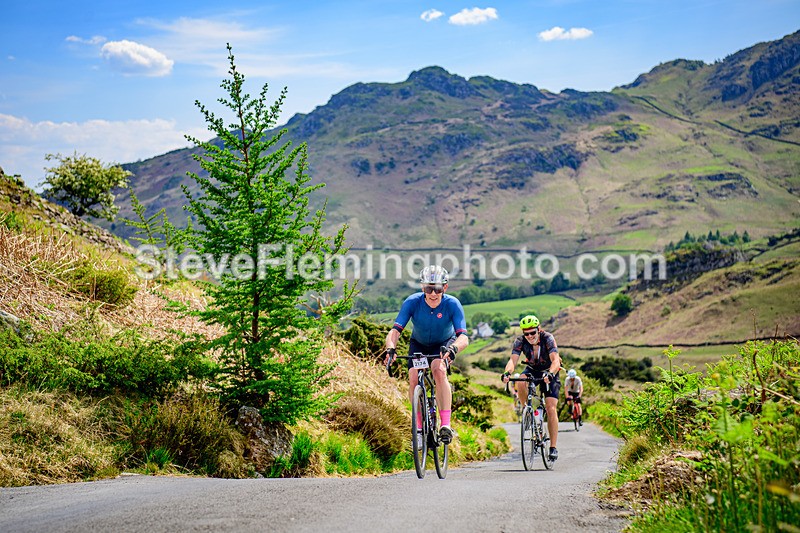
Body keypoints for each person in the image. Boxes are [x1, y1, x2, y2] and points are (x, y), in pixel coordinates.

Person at [384, 265, 469, 446]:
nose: (433, 293)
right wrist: (391, 348)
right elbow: (395, 330)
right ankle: (420, 428)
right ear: (422, 287)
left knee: (438, 370)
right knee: (413, 377)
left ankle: (445, 425)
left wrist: (453, 349)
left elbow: (464, 336)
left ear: (444, 288)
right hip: (419, 344)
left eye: (437, 289)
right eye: (429, 288)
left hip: (443, 344)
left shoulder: (452, 304)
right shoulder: (412, 302)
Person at [500, 314, 562, 461]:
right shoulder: (520, 341)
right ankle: (528, 411)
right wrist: (507, 373)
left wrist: (551, 373)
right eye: (526, 333)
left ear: (538, 329)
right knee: (520, 379)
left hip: (549, 370)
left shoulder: (548, 338)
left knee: (551, 407)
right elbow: (512, 360)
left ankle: (553, 447)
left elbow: (555, 361)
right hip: (533, 369)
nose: (529, 336)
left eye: (532, 332)